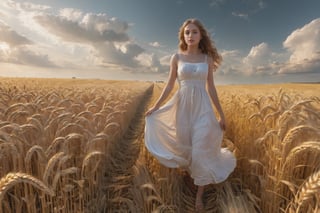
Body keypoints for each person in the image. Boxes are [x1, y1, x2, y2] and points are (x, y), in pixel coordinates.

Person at [144, 18, 236, 211]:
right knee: (186, 148)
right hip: (182, 107)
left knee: (200, 149)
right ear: (183, 36)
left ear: (201, 35)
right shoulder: (176, 57)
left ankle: (199, 196)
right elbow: (170, 85)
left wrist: (221, 114)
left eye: (194, 32)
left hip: (202, 108)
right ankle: (191, 176)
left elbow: (211, 88)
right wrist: (156, 106)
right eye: (187, 32)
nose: (190, 36)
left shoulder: (207, 59)